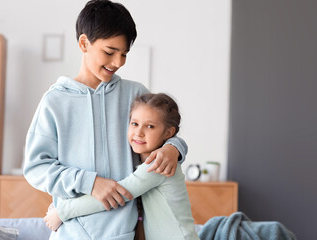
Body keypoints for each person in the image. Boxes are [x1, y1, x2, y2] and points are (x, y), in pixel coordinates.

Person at [23, 1, 188, 239]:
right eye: (110, 52)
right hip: (71, 232)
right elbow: (36, 168)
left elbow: (162, 132)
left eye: (124, 54)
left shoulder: (135, 94)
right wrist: (90, 182)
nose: (118, 62)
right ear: (84, 43)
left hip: (124, 233)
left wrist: (175, 148)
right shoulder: (55, 101)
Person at [44, 93, 200, 240]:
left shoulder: (157, 164)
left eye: (150, 126)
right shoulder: (141, 162)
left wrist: (62, 211)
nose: (139, 132)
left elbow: (119, 193)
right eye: (135, 124)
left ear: (168, 133)